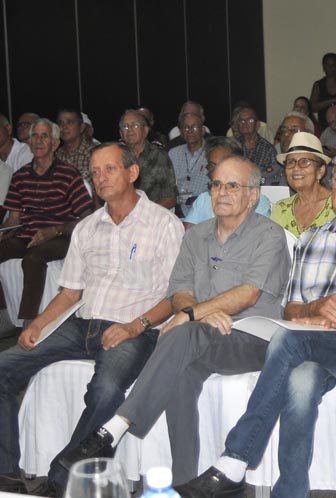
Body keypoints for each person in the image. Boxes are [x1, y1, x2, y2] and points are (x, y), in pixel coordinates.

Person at [159, 149, 336, 498]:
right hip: (316, 341)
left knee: (288, 341)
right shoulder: (311, 240)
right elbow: (292, 311)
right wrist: (317, 308)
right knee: (300, 379)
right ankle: (290, 492)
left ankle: (236, 457)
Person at [59, 154, 289, 486]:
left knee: (181, 333)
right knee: (181, 370)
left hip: (252, 337)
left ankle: (116, 426)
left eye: (232, 186)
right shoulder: (195, 235)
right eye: (216, 185)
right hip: (203, 336)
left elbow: (248, 294)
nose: (222, 192)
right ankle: (184, 482)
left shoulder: (269, 235)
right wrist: (197, 312)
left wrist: (193, 313)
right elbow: (179, 290)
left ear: (253, 195)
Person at [0, 142, 183, 495]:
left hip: (133, 329)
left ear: (132, 172)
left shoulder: (163, 224)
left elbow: (175, 296)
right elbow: (70, 292)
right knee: (3, 367)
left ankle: (63, 479)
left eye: (109, 169)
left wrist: (135, 326)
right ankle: (5, 473)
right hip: (81, 325)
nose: (100, 178)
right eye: (95, 172)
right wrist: (37, 324)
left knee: (106, 391)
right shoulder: (86, 227)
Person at [0, 119, 94, 323]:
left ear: (55, 143)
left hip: (60, 237)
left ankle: (29, 321)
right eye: (34, 136)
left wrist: (56, 229)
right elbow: (13, 219)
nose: (38, 141)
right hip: (27, 235)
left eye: (45, 136)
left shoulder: (68, 174)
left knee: (33, 258)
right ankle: (3, 315)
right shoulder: (20, 176)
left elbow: (87, 219)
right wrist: (3, 233)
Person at [182, 137, 271, 226]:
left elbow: (256, 233)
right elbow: (188, 231)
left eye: (223, 165)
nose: (217, 171)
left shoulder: (255, 199)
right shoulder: (204, 199)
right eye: (212, 166)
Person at [270, 132, 335, 236]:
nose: (296, 168)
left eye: (304, 162)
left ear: (320, 171)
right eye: (291, 162)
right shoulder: (281, 208)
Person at [119, 109, 177, 209]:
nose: (130, 130)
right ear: (121, 133)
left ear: (145, 131)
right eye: (125, 126)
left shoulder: (159, 156)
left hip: (152, 213)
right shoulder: (116, 157)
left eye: (135, 125)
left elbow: (170, 198)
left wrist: (144, 212)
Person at [168, 111, 209, 216]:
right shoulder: (173, 153)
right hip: (178, 209)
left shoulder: (212, 152)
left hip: (206, 209)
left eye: (194, 127)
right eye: (186, 128)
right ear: (181, 132)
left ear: (202, 131)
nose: (189, 131)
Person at [230, 106, 279, 185]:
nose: (245, 123)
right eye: (242, 121)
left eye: (250, 120)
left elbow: (273, 176)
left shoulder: (268, 149)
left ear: (257, 125)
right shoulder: (232, 146)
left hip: (260, 187)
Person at [55, 109, 95, 183]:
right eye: (60, 123)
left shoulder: (93, 153)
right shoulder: (56, 156)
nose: (64, 127)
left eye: (69, 122)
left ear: (81, 128)